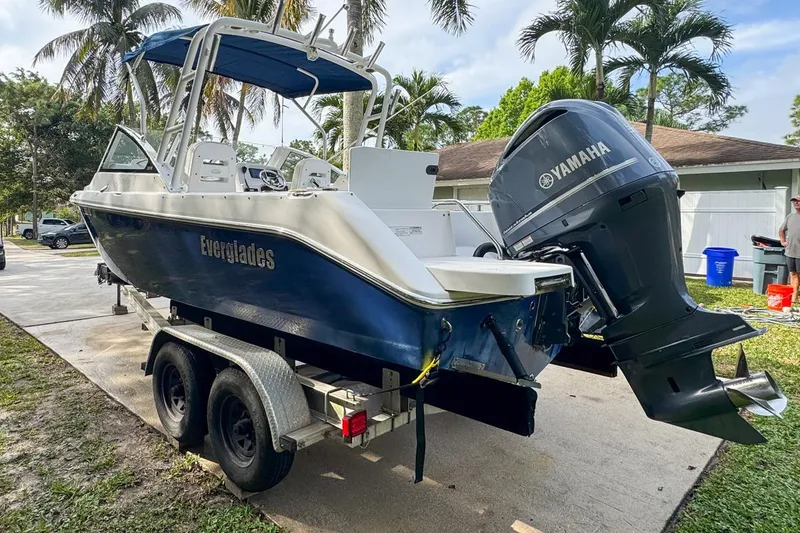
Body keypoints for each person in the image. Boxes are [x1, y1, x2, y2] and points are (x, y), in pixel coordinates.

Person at [779, 194, 800, 303]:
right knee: (793, 274)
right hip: (791, 251)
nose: (796, 202)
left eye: (798, 200)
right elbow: (781, 230)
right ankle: (794, 297)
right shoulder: (790, 216)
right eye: (794, 201)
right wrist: (783, 241)